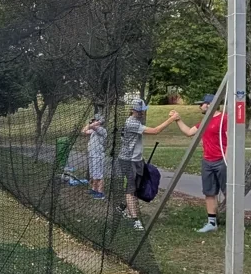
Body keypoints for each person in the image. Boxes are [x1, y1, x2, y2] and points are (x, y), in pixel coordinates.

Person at [170, 94, 228, 233]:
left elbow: (231, 139)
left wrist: (227, 160)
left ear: (209, 105)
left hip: (222, 161)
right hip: (207, 161)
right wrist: (178, 119)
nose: (199, 106)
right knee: (209, 193)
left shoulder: (224, 119)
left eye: (201, 104)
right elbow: (189, 132)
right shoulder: (205, 121)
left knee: (229, 193)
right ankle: (211, 223)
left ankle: (236, 223)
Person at [118, 99, 177, 230]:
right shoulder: (131, 122)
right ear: (133, 110)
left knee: (137, 187)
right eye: (140, 111)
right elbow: (155, 131)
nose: (142, 113)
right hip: (128, 160)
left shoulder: (137, 121)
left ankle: (123, 207)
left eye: (143, 111)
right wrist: (172, 119)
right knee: (131, 188)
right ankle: (134, 219)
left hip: (137, 159)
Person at [82, 114, 107, 200]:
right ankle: (94, 190)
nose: (92, 122)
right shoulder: (93, 131)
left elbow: (91, 127)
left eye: (94, 120)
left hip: (98, 156)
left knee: (99, 175)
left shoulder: (101, 130)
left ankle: (101, 193)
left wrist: (98, 122)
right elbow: (84, 131)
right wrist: (92, 123)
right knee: (94, 174)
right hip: (92, 155)